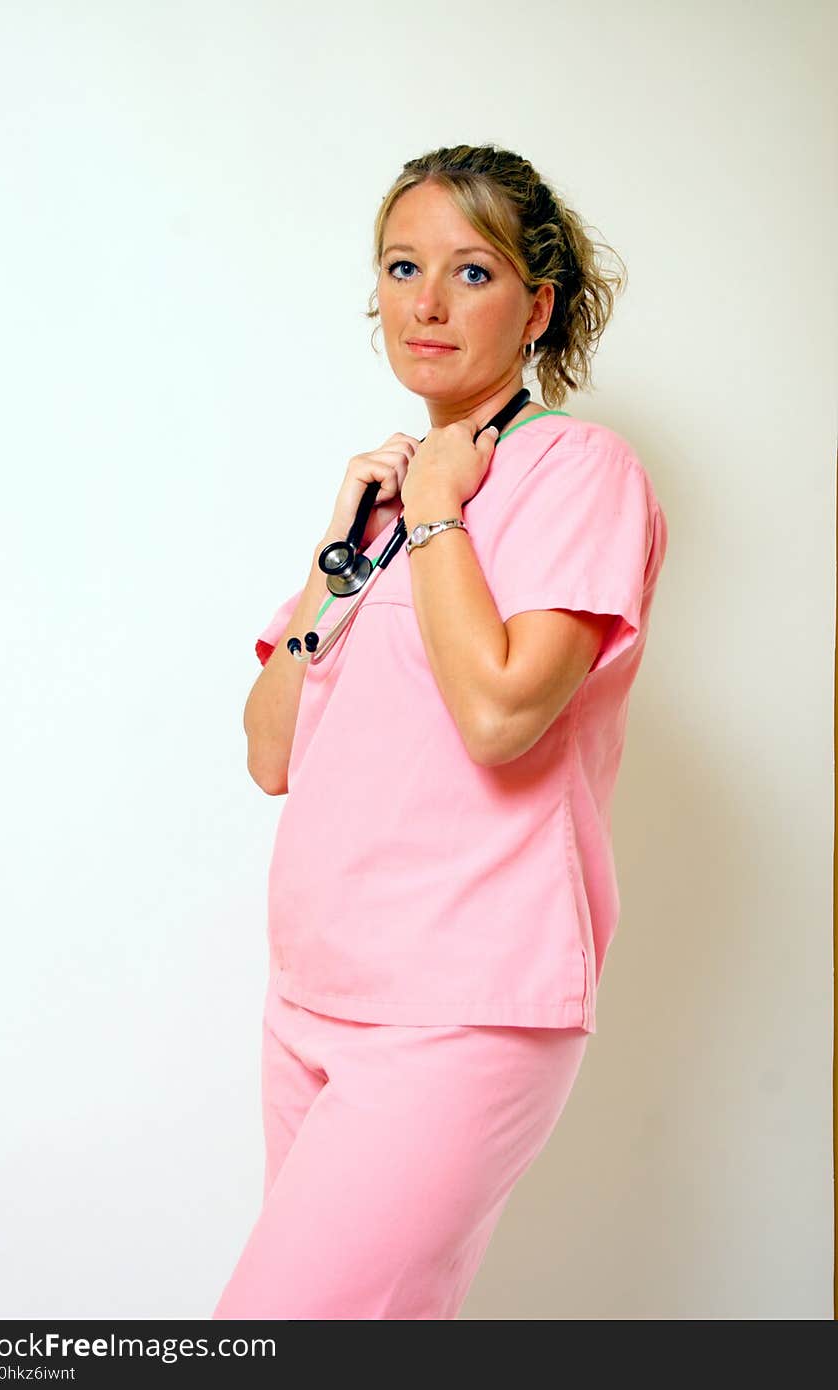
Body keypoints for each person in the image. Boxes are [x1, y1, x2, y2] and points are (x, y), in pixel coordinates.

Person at [212, 143, 668, 1321]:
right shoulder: (384, 505)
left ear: (539, 305)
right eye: (402, 265)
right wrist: (336, 546)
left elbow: (500, 711)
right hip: (312, 995)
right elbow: (271, 750)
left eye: (471, 272)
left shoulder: (577, 468)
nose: (424, 301)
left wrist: (431, 515)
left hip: (457, 1004)